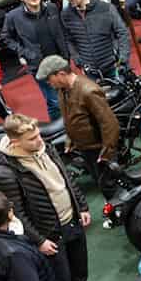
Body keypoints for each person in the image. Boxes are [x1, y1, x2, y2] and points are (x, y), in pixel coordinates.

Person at [0, 112, 115, 281]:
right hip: (47, 234)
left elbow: (66, 178)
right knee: (59, 279)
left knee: (79, 267)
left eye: (38, 135)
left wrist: (81, 206)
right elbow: (16, 213)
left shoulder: (46, 149)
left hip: (71, 221)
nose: (39, 140)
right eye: (32, 139)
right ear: (14, 142)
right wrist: (39, 241)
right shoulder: (5, 172)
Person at [36, 57, 119, 194]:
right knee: (100, 182)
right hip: (85, 148)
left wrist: (106, 153)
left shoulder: (88, 91)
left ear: (61, 74)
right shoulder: (63, 91)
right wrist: (70, 141)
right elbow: (69, 118)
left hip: (98, 149)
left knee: (109, 186)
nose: (48, 83)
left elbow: (109, 123)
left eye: (49, 79)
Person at [2, 0, 68, 118]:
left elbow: (61, 31)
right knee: (55, 101)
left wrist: (67, 54)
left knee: (70, 96)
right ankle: (59, 128)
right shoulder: (13, 16)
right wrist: (24, 53)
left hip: (60, 61)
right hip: (39, 65)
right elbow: (6, 38)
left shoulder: (51, 8)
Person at [59, 0, 129, 81]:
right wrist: (79, 62)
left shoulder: (106, 8)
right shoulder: (65, 15)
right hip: (90, 72)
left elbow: (122, 32)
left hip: (114, 67)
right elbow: (69, 39)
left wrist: (123, 59)